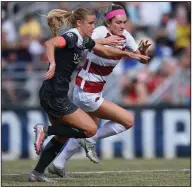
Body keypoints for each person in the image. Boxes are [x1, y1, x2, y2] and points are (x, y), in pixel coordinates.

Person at [28, 7, 149, 182]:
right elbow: (50, 43)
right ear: (80, 23)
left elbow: (99, 46)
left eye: (124, 22)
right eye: (91, 23)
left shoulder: (84, 39)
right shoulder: (73, 36)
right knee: (90, 130)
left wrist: (133, 52)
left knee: (63, 135)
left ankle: (38, 172)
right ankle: (45, 130)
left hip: (56, 93)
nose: (94, 27)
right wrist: (53, 63)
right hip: (64, 94)